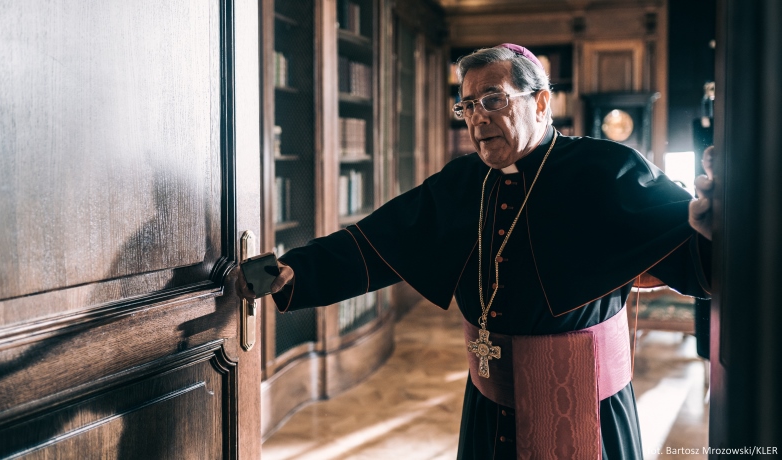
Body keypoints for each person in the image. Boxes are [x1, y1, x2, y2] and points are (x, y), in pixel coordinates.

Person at [236, 44, 714, 459]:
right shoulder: (463, 181)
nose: (478, 116)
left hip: (581, 404)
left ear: (542, 102)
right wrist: (297, 270)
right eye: (467, 105)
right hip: (489, 400)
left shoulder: (608, 169)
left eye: (493, 99)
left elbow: (694, 244)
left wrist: (722, 227)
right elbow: (381, 241)